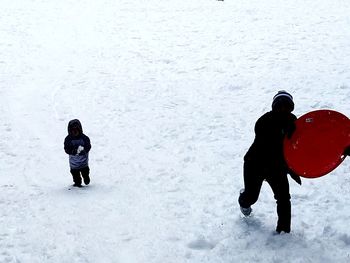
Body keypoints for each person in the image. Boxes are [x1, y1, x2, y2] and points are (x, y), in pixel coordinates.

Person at [238, 90, 301, 234]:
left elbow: (302, 145)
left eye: (287, 106)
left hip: (277, 167)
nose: (283, 109)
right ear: (274, 107)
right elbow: (268, 144)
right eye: (280, 106)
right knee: (251, 197)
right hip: (255, 164)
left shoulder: (294, 122)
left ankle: (284, 231)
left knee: (284, 198)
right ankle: (244, 199)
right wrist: (283, 131)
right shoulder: (264, 121)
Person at [64, 119, 91, 187]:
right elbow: (66, 149)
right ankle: (77, 183)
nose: (75, 132)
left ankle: (86, 178)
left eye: (77, 129)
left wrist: (84, 151)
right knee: (75, 175)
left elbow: (88, 146)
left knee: (85, 172)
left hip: (83, 162)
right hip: (74, 163)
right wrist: (72, 151)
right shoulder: (68, 139)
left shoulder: (84, 138)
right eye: (73, 130)